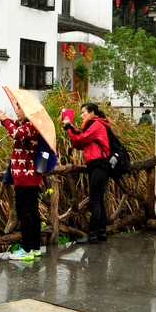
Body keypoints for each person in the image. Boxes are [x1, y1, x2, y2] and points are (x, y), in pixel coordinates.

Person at [0, 103, 42, 261]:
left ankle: (26, 251)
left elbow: (17, 134)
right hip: (31, 176)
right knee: (32, 212)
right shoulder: (31, 125)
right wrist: (3, 118)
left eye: (20, 108)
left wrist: (5, 119)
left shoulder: (29, 126)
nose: (17, 111)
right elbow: (16, 127)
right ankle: (34, 247)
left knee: (24, 213)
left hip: (25, 176)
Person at [63, 103, 110, 244]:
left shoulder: (96, 125)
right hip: (97, 165)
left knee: (94, 201)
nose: (81, 115)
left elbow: (80, 139)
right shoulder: (94, 125)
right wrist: (70, 128)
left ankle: (92, 234)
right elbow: (80, 143)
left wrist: (68, 128)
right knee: (99, 200)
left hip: (99, 165)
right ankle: (101, 232)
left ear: (92, 112)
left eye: (84, 112)